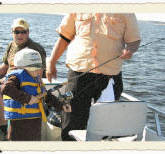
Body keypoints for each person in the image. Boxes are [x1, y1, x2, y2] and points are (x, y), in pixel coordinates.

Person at [46, 13, 141, 141]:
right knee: (71, 120)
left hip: (110, 77)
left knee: (105, 125)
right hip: (79, 75)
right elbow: (64, 37)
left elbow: (134, 40)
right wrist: (52, 62)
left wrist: (130, 49)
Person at [0, 48, 71, 141]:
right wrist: (27, 98)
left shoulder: (36, 79)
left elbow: (46, 96)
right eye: (33, 67)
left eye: (38, 67)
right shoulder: (16, 76)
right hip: (19, 122)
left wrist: (61, 106)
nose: (37, 70)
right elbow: (6, 88)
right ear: (21, 67)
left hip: (35, 121)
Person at [0, 18, 46, 140]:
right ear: (12, 33)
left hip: (23, 85)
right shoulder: (11, 45)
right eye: (16, 32)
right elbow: (4, 67)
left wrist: (7, 81)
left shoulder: (36, 49)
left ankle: (3, 130)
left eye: (23, 32)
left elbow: (37, 75)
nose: (19, 35)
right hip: (9, 79)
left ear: (28, 32)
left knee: (0, 89)